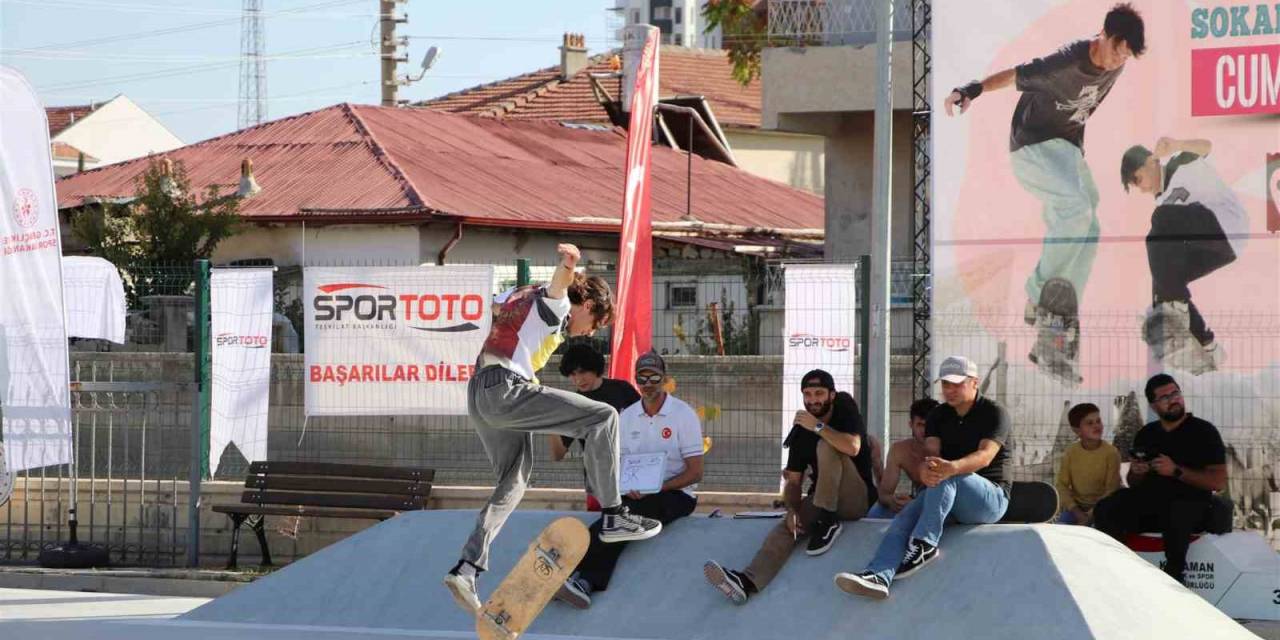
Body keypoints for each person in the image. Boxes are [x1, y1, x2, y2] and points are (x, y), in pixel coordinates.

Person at [443, 244, 662, 613]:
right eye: (591, 326)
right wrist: (568, 265)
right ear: (588, 307)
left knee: (513, 482)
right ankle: (614, 515)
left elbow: (500, 308)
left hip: (479, 393)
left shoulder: (520, 296)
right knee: (604, 416)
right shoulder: (557, 305)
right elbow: (560, 289)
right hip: (506, 389)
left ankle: (467, 568)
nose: (584, 334)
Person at [945, 4, 1146, 369]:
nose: (1118, 62)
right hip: (1032, 149)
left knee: (1090, 228)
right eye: (1117, 51)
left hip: (1067, 153)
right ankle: (1039, 297)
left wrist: (1122, 58)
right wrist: (970, 89)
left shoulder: (1117, 65)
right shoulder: (1065, 63)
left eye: (1126, 58)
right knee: (1076, 212)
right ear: (1104, 35)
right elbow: (1014, 75)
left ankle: (1063, 311)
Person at [834, 356, 1011, 600]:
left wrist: (949, 467)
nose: (950, 390)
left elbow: (985, 456)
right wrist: (927, 468)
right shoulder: (938, 415)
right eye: (946, 384)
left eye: (957, 384)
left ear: (974, 383)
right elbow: (931, 454)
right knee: (904, 518)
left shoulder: (994, 413)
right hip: (947, 494)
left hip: (989, 500)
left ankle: (925, 544)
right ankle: (878, 576)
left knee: (948, 475)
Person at [703, 370, 874, 605]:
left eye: (819, 393)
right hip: (824, 497)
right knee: (788, 525)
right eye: (808, 394)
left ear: (832, 395)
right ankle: (747, 581)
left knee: (827, 447)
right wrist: (792, 509)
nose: (813, 400)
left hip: (857, 498)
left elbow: (853, 446)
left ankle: (826, 521)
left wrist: (818, 427)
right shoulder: (802, 430)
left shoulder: (843, 405)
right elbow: (793, 481)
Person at [554, 351, 703, 609]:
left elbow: (695, 472)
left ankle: (578, 575)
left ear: (664, 378)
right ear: (636, 380)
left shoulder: (683, 414)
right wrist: (626, 487)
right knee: (615, 517)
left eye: (654, 377)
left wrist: (656, 488)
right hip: (634, 493)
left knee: (622, 520)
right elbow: (619, 464)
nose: (648, 383)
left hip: (677, 495)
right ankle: (578, 580)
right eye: (642, 378)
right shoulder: (627, 416)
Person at [1121, 137, 1245, 374]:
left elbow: (1206, 146)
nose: (1142, 188)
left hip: (1225, 224)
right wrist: (1161, 301)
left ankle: (1173, 308)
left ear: (1150, 162)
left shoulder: (1180, 162)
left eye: (1138, 179)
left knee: (1160, 221)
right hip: (1219, 249)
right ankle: (1207, 345)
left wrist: (1177, 145)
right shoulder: (1162, 199)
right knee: (1165, 279)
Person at [1092, 374, 1228, 585]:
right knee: (1107, 507)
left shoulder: (1203, 431)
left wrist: (1176, 471)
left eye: (1175, 393)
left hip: (1191, 505)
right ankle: (1115, 574)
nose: (1173, 399)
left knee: (1176, 509)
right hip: (1151, 503)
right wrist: (1137, 471)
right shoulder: (1147, 433)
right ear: (1154, 405)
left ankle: (1175, 580)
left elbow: (1218, 481)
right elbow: (1132, 481)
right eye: (1165, 397)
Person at [550, 343, 641, 511]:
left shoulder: (623, 389)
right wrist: (553, 421)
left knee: (635, 524)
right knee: (599, 529)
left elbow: (646, 425)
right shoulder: (574, 405)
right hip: (598, 483)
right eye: (572, 374)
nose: (578, 379)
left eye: (583, 372)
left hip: (632, 475)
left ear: (595, 368)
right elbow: (558, 454)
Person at [867, 398, 940, 519]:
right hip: (915, 503)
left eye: (930, 425)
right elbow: (884, 494)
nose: (925, 430)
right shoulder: (899, 450)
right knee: (877, 511)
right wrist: (894, 501)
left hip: (942, 506)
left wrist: (914, 504)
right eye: (920, 425)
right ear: (911, 425)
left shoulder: (947, 448)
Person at [1054, 402, 1121, 525]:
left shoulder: (1111, 453)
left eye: (1098, 421)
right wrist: (1076, 511)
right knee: (1060, 531)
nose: (1096, 426)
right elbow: (1062, 485)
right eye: (1089, 423)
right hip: (1076, 509)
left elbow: (1111, 489)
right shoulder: (1071, 453)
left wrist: (1090, 515)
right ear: (1077, 430)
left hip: (1104, 508)